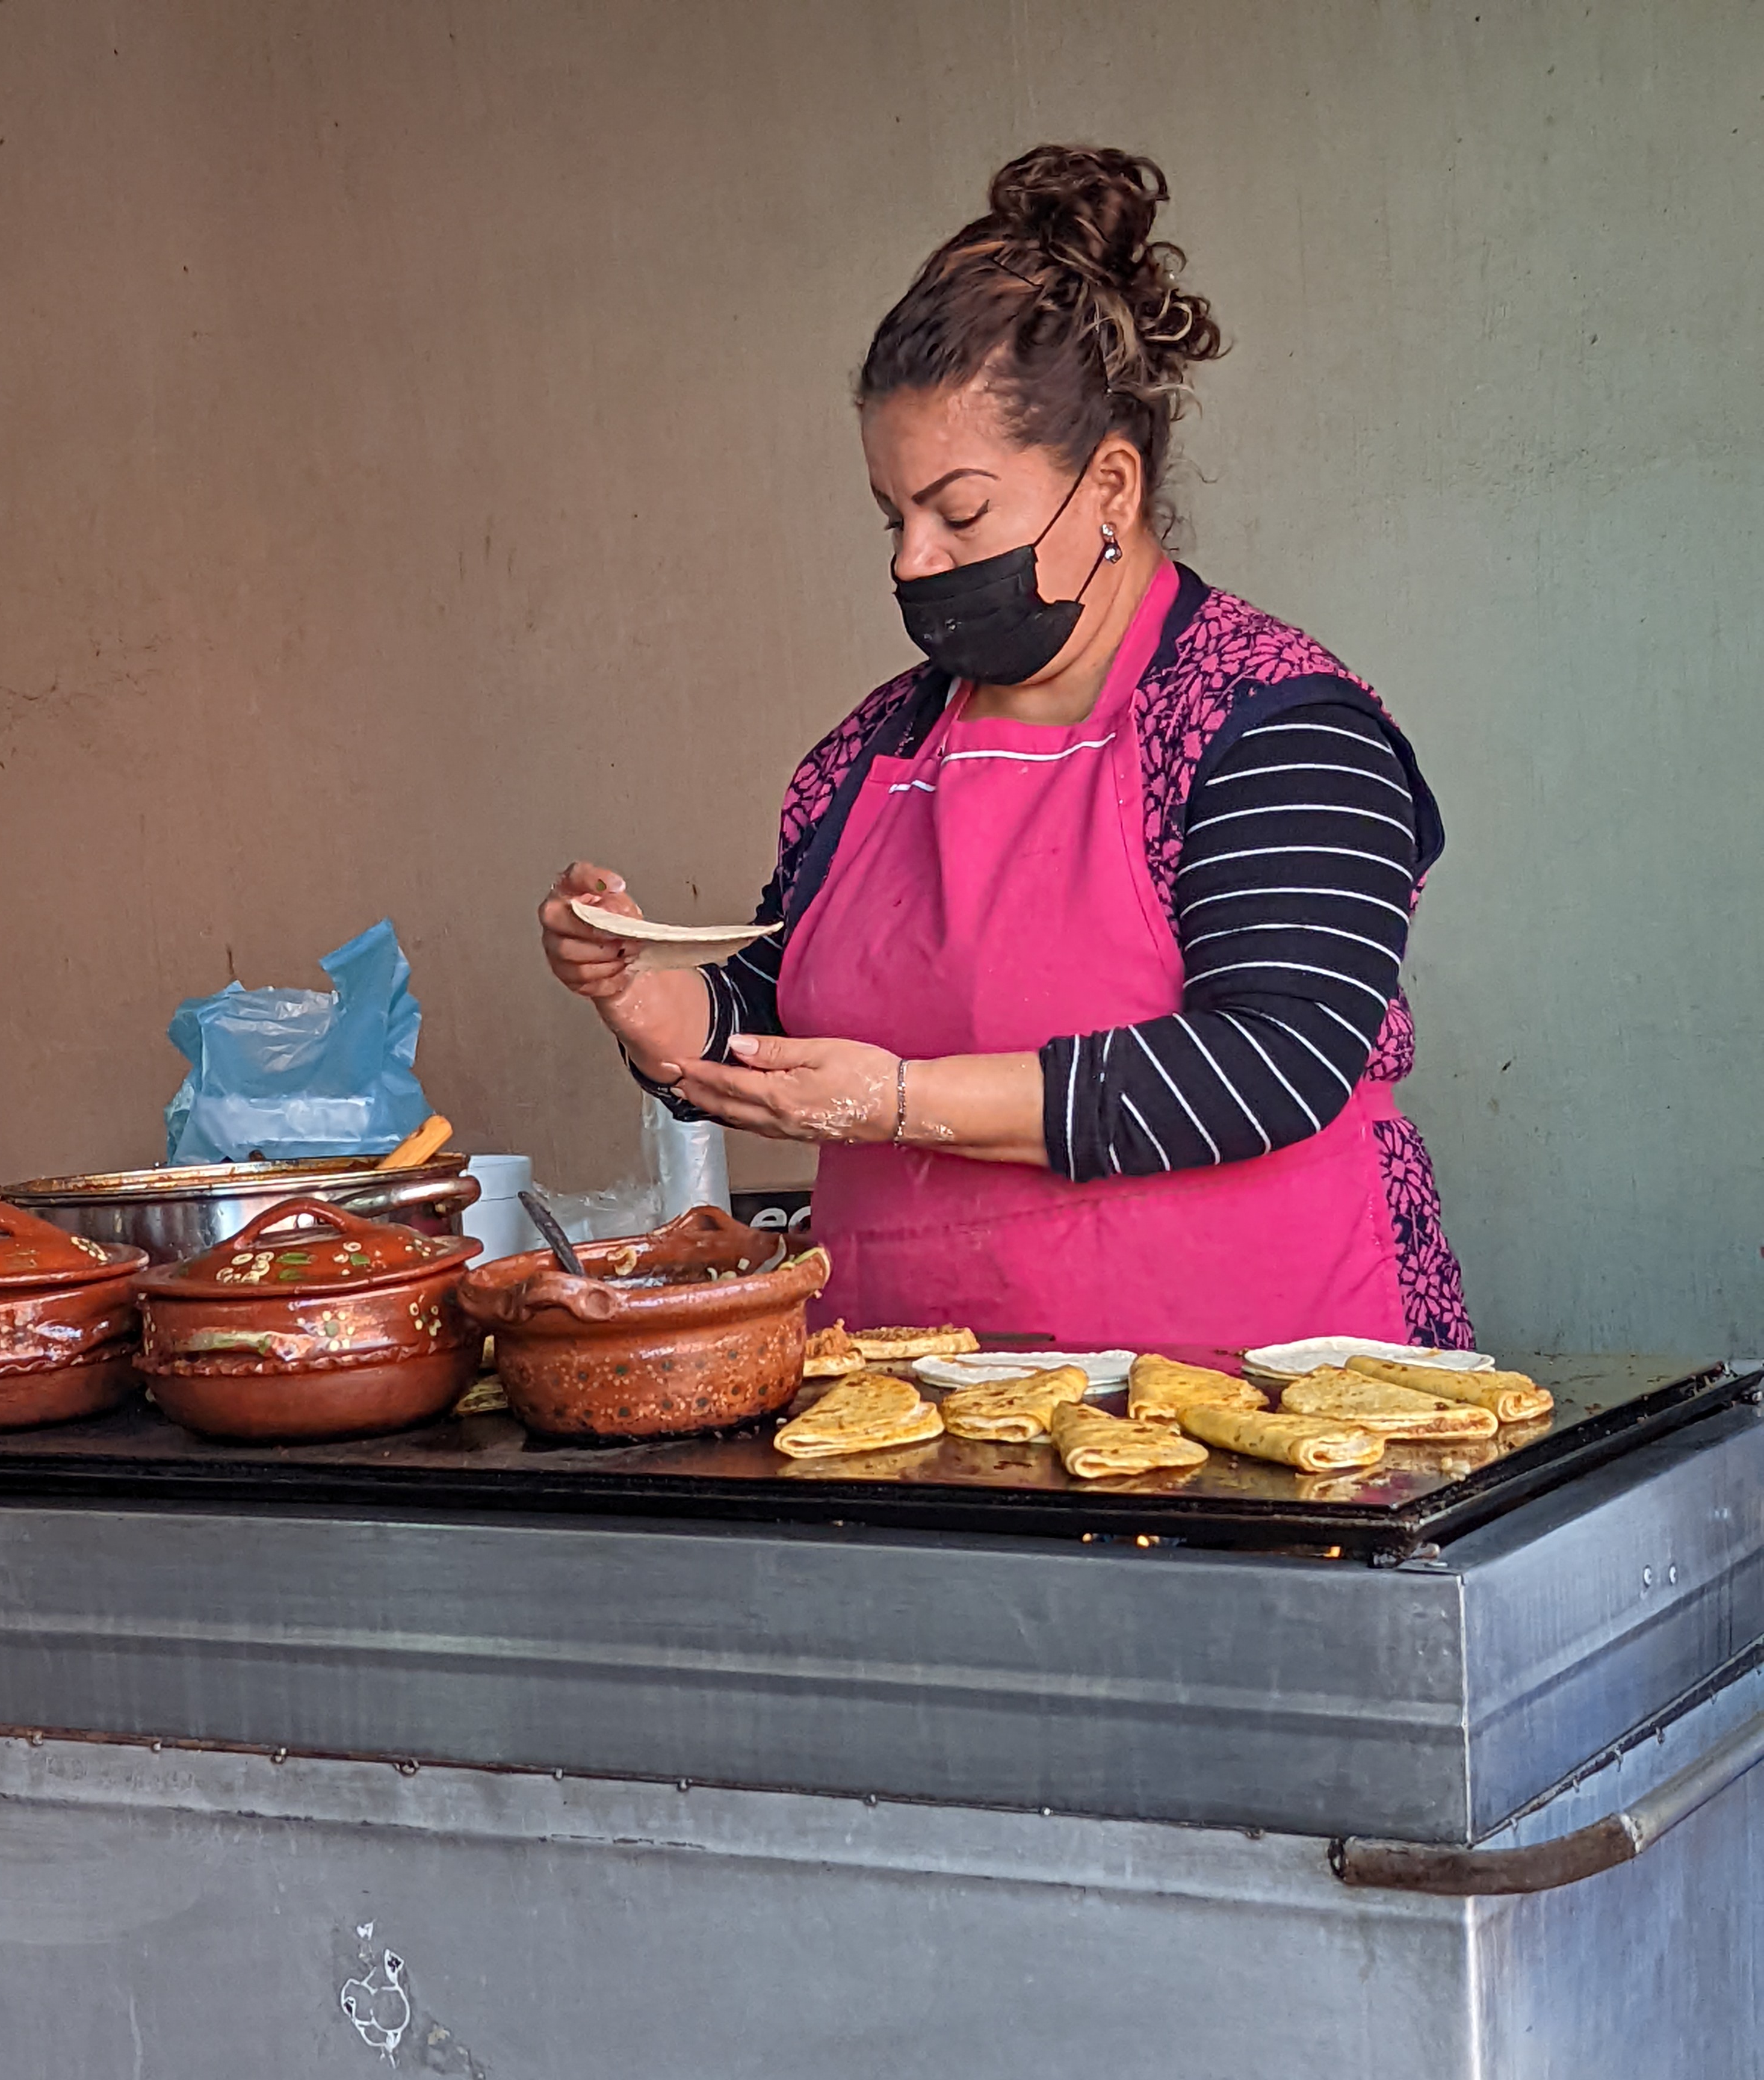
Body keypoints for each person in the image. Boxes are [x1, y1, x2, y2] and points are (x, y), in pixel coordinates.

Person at [540, 143, 1472, 1351]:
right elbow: (782, 1015)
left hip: (1273, 1396)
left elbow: (1273, 1060)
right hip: (917, 1412)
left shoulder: (1272, 723)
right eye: (893, 517)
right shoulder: (865, 757)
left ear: (1111, 487)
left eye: (961, 512)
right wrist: (653, 1002)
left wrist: (904, 1104)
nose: (912, 559)